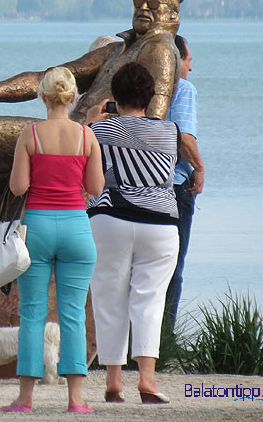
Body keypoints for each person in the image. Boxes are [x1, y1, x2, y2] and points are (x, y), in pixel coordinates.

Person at [0, 0, 185, 262]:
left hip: (79, 139)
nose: (143, 9)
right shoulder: (116, 50)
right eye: (138, 3)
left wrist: (102, 124)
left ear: (171, 13)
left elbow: (151, 119)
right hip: (68, 133)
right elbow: (44, 79)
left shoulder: (159, 49)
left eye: (152, 4)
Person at [4, 67, 104, 413]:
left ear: (42, 97)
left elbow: (18, 187)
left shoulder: (30, 136)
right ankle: (75, 399)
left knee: (32, 312)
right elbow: (94, 188)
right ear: (74, 97)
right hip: (77, 227)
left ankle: (25, 398)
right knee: (73, 314)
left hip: (38, 226)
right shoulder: (86, 136)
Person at [87, 62, 179, 404]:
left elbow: (83, 157)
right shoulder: (171, 131)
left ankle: (113, 380)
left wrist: (94, 121)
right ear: (151, 96)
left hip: (110, 220)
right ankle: (147, 379)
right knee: (149, 300)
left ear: (114, 96)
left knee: (108, 296)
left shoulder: (99, 131)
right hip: (160, 224)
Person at [164, 35, 205, 332]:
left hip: (137, 188)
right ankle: (164, 339)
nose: (191, 67)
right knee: (173, 267)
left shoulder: (143, 90)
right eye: (188, 60)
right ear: (176, 60)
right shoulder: (182, 89)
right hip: (175, 186)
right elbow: (183, 136)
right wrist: (199, 167)